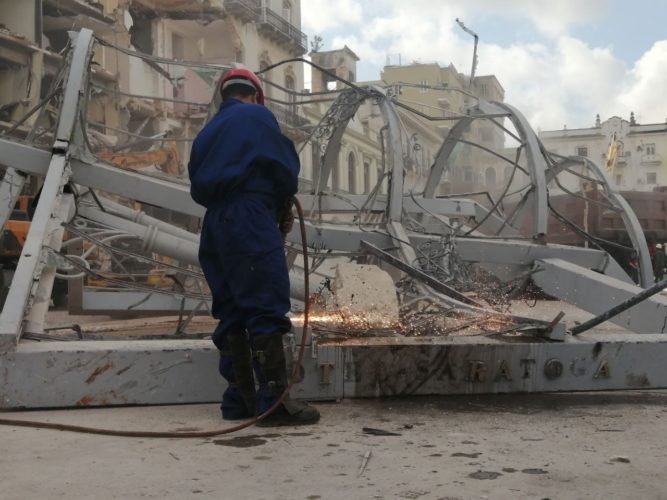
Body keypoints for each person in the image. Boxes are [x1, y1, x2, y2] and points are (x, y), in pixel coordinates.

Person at [188, 68, 319, 426]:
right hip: (249, 217)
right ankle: (274, 403)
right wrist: (278, 206)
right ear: (256, 96)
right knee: (264, 303)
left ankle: (240, 401)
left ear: (224, 95)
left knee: (230, 309)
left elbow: (196, 183)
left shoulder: (206, 133)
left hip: (214, 224)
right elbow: (284, 169)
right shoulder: (258, 117)